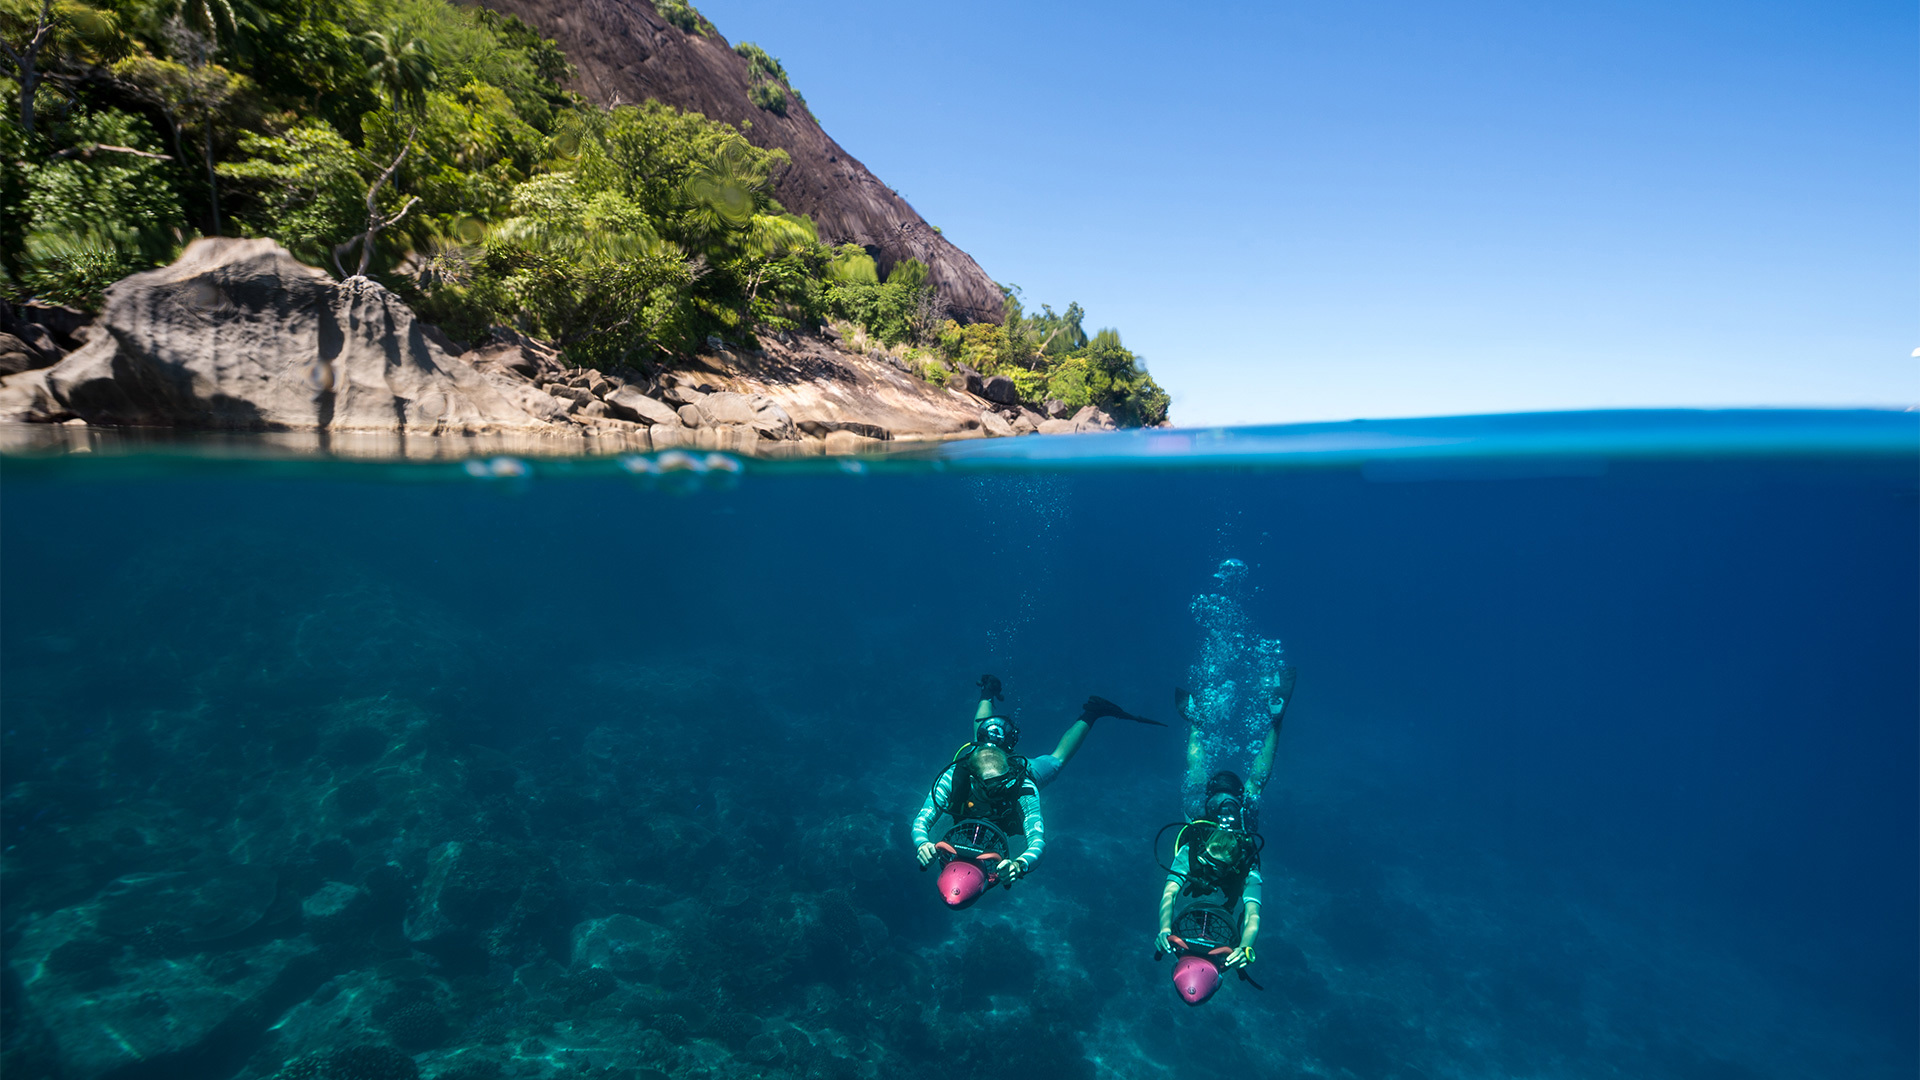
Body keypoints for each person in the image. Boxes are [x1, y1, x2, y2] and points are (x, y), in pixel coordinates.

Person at [1154, 665, 1296, 973]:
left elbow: (1253, 912)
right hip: (1216, 807)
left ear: (1233, 864)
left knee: (1226, 782)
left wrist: (1247, 945)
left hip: (1223, 807)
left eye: (1217, 867)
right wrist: (1164, 927)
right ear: (1203, 849)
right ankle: (1268, 723)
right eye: (1207, 862)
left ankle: (1204, 724)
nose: (1209, 868)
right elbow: (1170, 893)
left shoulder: (1246, 862)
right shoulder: (1193, 847)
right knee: (1246, 786)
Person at [960, 673, 1163, 791]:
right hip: (1011, 770)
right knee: (1054, 760)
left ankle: (988, 691)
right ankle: (1092, 713)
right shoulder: (1023, 779)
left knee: (983, 742)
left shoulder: (1023, 780)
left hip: (1013, 772)